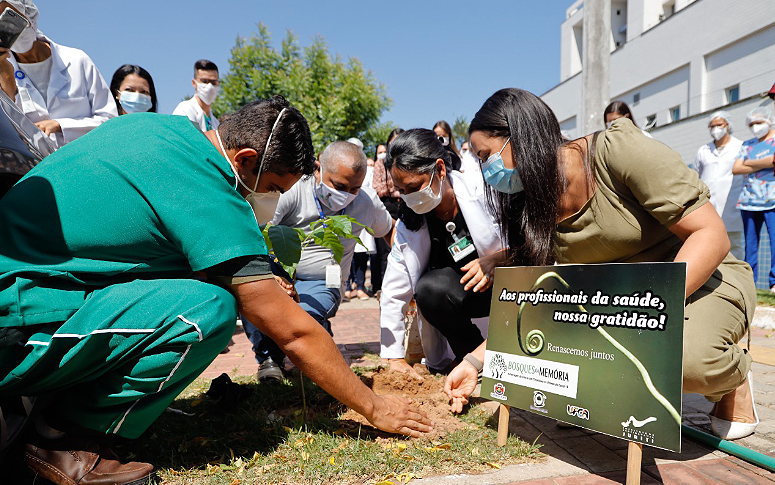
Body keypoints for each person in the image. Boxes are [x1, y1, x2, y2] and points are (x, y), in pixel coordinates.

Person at [0, 96, 430, 484]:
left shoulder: (151, 128)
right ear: (243, 160)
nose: (274, 201)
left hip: (27, 291)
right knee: (207, 310)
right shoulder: (208, 185)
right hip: (15, 323)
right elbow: (291, 331)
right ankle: (64, 438)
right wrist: (373, 406)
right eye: (275, 188)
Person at [447, 88, 758, 441]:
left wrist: (643, 317)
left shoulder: (616, 150)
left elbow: (711, 235)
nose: (487, 170)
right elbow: (538, 305)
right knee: (561, 355)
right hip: (611, 308)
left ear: (520, 135)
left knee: (686, 364)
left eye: (486, 155)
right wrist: (475, 362)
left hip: (700, 282)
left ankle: (734, 377)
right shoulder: (532, 206)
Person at [243, 140, 394, 382]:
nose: (345, 195)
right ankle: (269, 359)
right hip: (280, 273)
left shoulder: (366, 201)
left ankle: (317, 333)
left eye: (354, 188)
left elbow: (390, 232)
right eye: (339, 185)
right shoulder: (293, 189)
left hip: (325, 281)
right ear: (318, 167)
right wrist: (273, 276)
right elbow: (256, 231)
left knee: (302, 319)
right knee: (253, 292)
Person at [380, 129, 503, 376]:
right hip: (457, 300)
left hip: (503, 289)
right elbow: (394, 290)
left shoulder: (485, 191)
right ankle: (476, 359)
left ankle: (495, 356)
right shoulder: (409, 223)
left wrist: (496, 260)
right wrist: (394, 357)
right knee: (429, 289)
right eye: (401, 191)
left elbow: (532, 243)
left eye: (414, 186)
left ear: (440, 169)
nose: (409, 197)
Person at [0, 0, 117, 147]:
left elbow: (110, 121)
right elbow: (10, 131)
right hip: (41, 168)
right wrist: (5, 74)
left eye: (8, 16)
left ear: (28, 14)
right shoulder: (5, 74)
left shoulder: (77, 60)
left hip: (86, 159)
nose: (4, 27)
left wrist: (60, 125)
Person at [733, 107, 775, 291]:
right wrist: (764, 163)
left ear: (769, 121)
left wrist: (749, 163)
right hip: (748, 201)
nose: (755, 127)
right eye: (751, 124)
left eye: (759, 122)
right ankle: (751, 283)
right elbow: (736, 168)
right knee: (750, 244)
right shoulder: (747, 144)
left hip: (772, 200)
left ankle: (774, 282)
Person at [694, 111, 744, 259]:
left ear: (727, 125)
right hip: (709, 205)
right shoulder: (703, 150)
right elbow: (697, 175)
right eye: (712, 126)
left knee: (734, 245)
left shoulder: (740, 146)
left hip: (732, 203)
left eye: (719, 125)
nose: (715, 129)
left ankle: (739, 279)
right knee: (709, 244)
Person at [372, 129, 404, 294]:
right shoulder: (381, 163)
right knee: (385, 251)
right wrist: (397, 190)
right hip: (387, 206)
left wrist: (396, 191)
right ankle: (385, 286)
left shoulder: (407, 161)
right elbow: (379, 188)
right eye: (393, 142)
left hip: (404, 206)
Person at [172, 59, 220, 132]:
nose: (210, 86)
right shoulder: (184, 110)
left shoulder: (216, 123)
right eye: (204, 81)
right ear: (194, 83)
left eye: (213, 82)